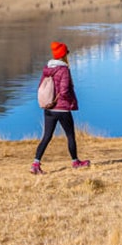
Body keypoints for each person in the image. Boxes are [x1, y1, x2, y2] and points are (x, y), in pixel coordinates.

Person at [31, 41, 89, 174]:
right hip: (62, 108)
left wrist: (50, 101)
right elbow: (64, 91)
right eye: (67, 53)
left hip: (49, 108)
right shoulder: (63, 70)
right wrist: (70, 102)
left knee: (46, 136)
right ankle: (75, 162)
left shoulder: (47, 68)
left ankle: (35, 164)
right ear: (63, 55)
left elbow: (42, 87)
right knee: (70, 136)